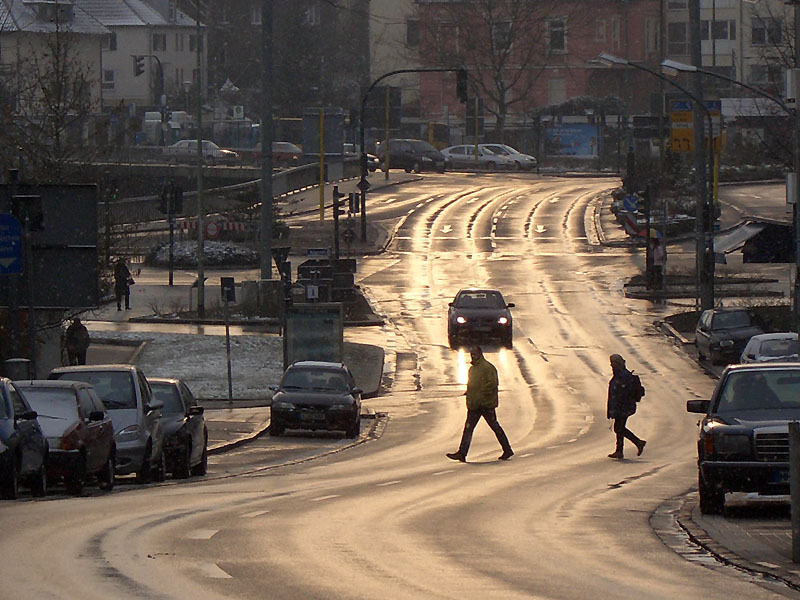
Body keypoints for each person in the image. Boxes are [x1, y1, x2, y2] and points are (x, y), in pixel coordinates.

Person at [446, 346, 514, 462]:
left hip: (485, 404)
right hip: (475, 404)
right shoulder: (472, 369)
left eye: (475, 354)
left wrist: (482, 395)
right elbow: (472, 385)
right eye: (471, 354)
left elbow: (492, 384)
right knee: (469, 428)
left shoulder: (487, 368)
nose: (473, 357)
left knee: (494, 426)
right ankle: (462, 453)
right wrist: (470, 394)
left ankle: (507, 449)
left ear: (480, 354)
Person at [606, 354, 646, 459]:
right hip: (622, 407)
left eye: (613, 363)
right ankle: (620, 450)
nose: (611, 365)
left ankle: (637, 442)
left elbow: (621, 393)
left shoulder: (623, 376)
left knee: (619, 428)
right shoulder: (620, 374)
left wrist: (616, 408)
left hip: (624, 407)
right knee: (619, 428)